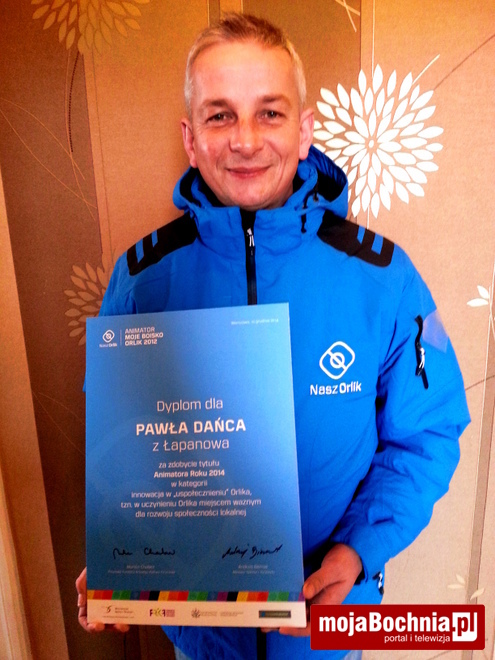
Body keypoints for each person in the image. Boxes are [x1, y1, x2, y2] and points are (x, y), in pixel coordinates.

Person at [76, 13, 470, 660]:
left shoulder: (382, 277)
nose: (245, 140)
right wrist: (120, 557)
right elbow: (129, 452)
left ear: (304, 128)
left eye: (270, 113)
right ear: (190, 138)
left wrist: (357, 551)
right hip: (203, 639)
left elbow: (426, 436)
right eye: (220, 116)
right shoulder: (142, 280)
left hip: (328, 627)